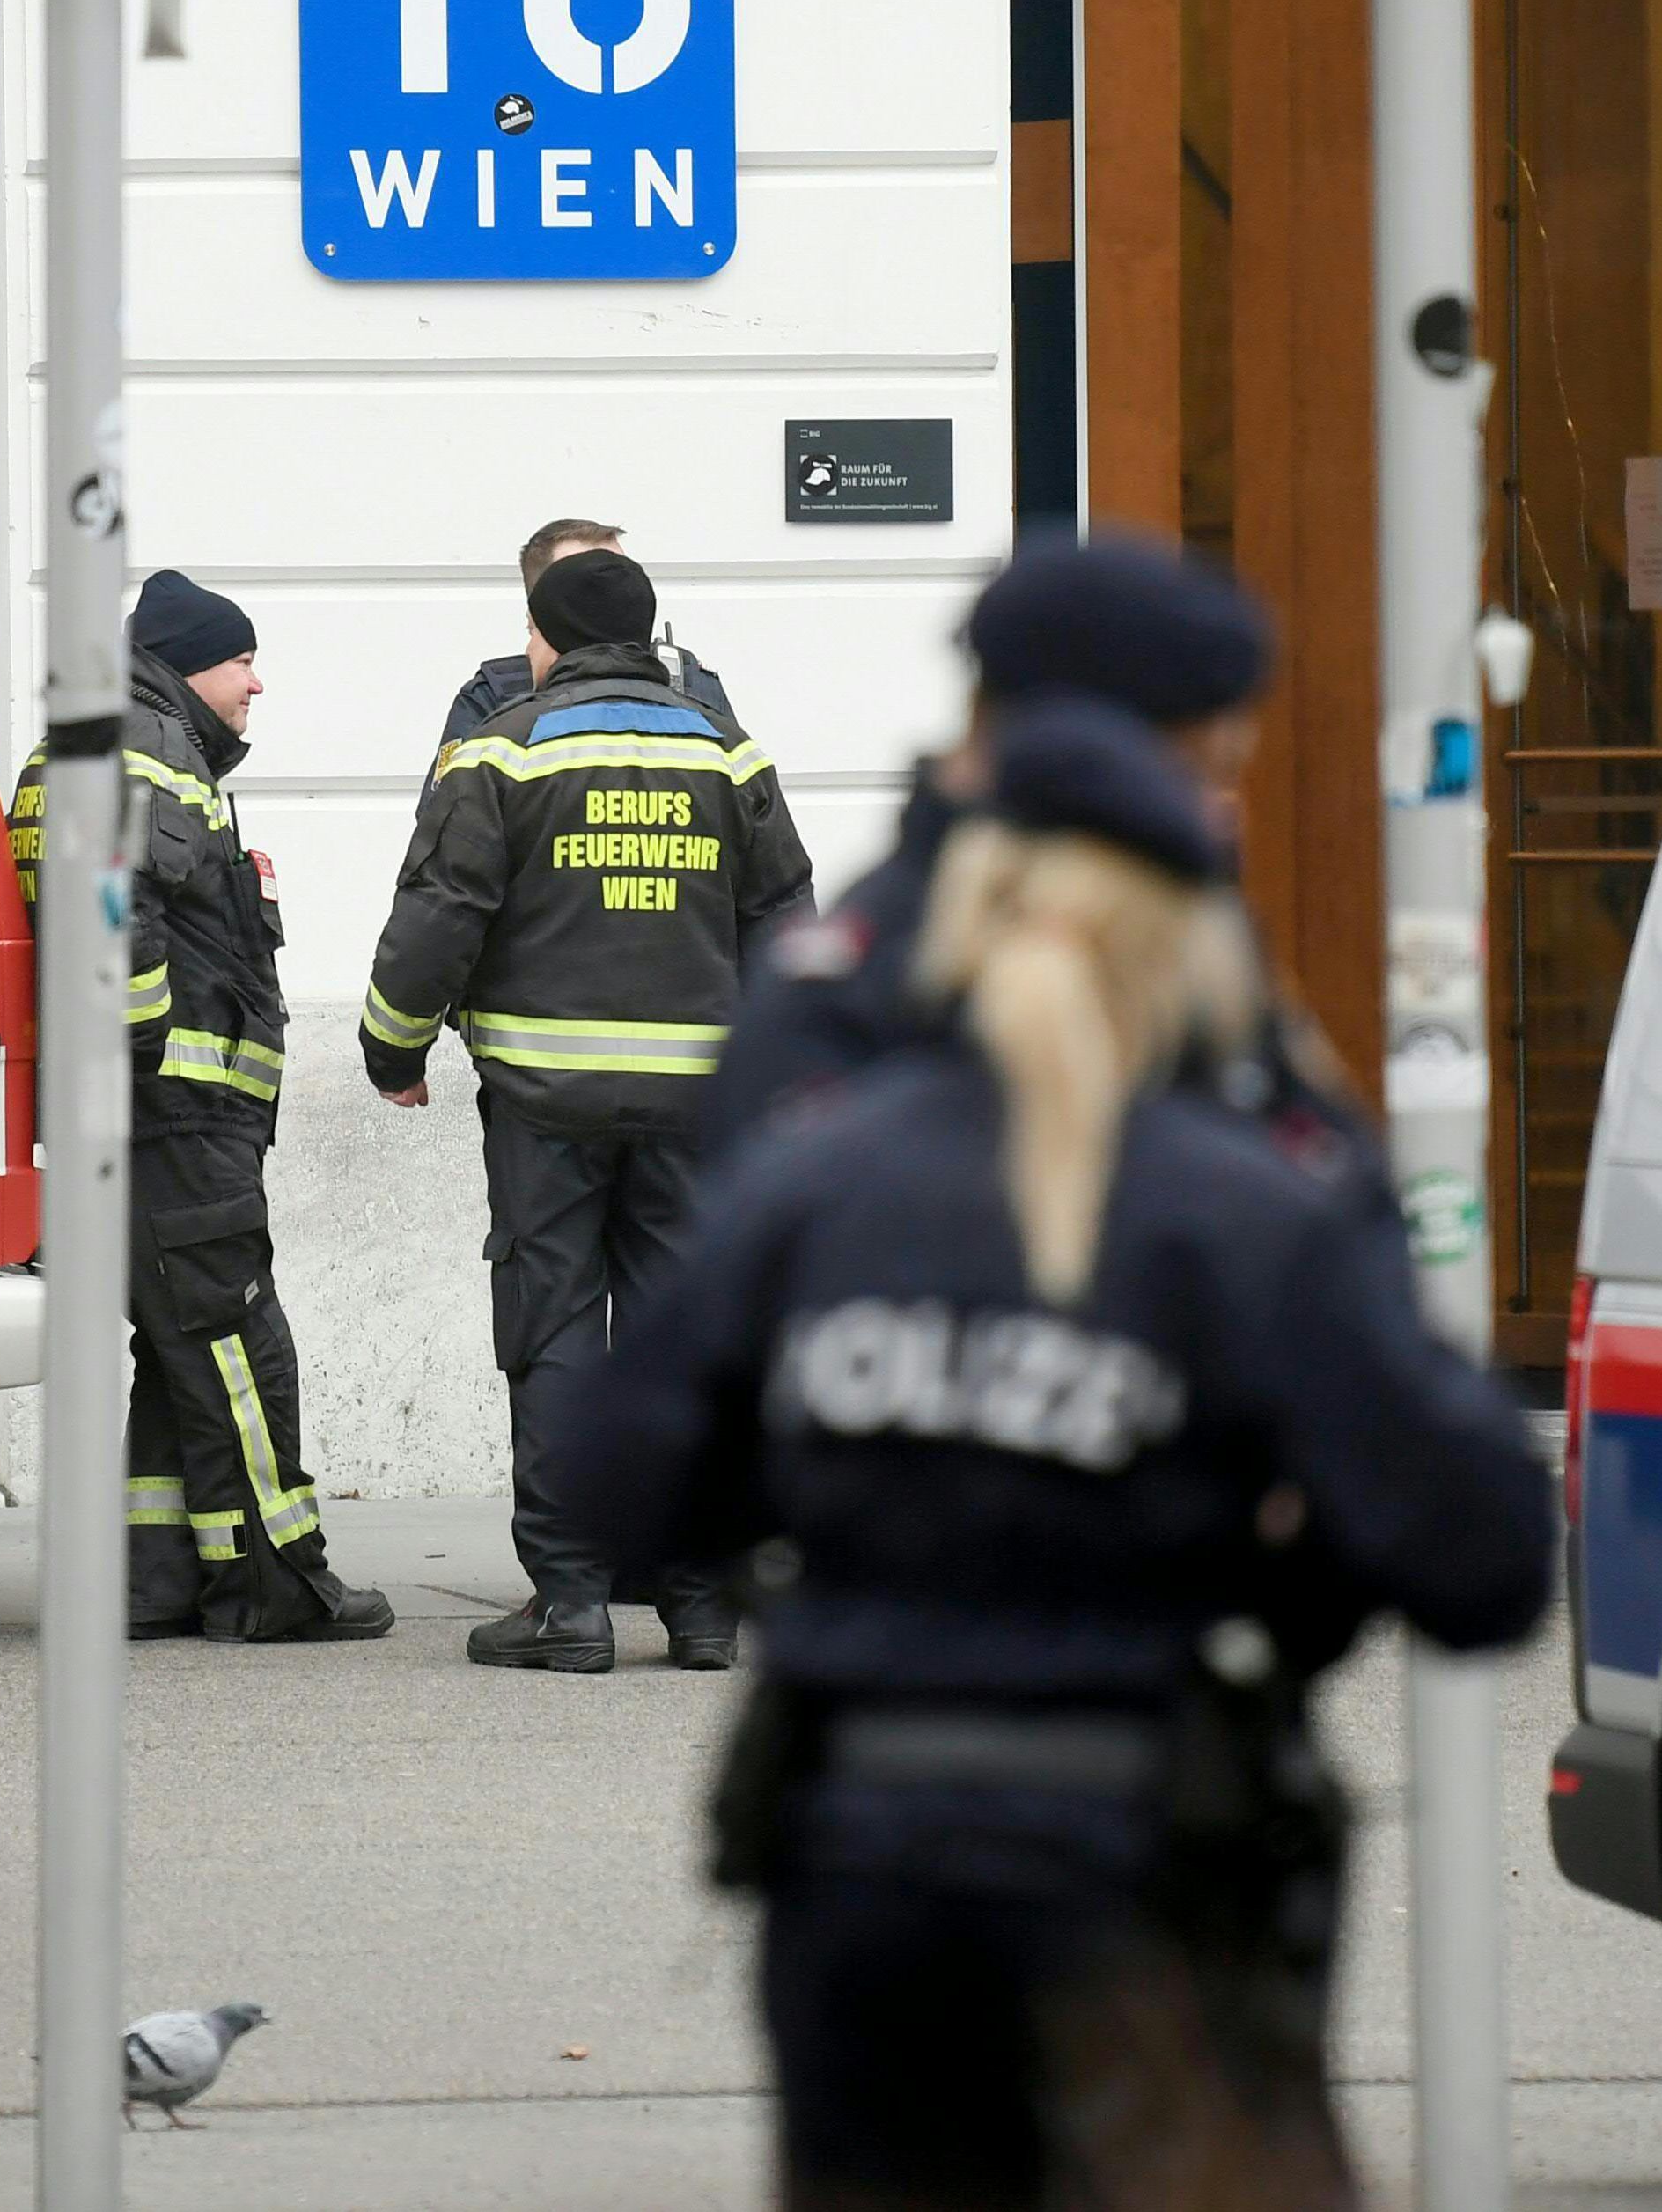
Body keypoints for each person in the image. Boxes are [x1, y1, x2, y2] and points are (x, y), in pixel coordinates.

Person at [565, 697, 1554, 2210]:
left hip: (857, 1870)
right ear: (1185, 936)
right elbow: (1480, 1551)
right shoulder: (1238, 1203)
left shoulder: (819, 1172)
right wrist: (1291, 1572)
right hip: (1145, 1872)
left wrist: (832, 1490)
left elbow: (613, 1477)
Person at [360, 544, 814, 1673]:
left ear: (543, 637)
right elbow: (782, 914)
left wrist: (389, 1045)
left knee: (555, 1332)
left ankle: (569, 1604)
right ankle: (702, 1605)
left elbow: (440, 909)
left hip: (542, 1101)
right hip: (697, 1105)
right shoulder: (725, 747)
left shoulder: (500, 751)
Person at [10, 569, 391, 1646]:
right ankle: (279, 1580)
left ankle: (163, 1575)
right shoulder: (142, 750)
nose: (256, 684)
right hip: (171, 1115)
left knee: (181, 1348)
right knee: (235, 1344)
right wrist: (143, 1069)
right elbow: (113, 924)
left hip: (153, 1114)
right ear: (184, 661)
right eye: (241, 661)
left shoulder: (115, 745)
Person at [699, 528, 1313, 1171]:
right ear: (1085, 759)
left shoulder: (1209, 962)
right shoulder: (853, 1005)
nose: (1224, 817)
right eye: (1200, 778)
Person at [437, 517, 732, 758]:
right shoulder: (497, 696)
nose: (611, 586)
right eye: (582, 583)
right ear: (540, 608)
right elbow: (449, 816)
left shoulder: (689, 683)